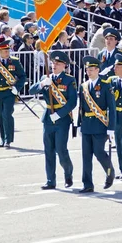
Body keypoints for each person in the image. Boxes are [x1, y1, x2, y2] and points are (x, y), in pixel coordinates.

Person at [30, 51, 76, 190]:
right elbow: (32, 91)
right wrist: (42, 84)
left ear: (64, 66)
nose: (54, 65)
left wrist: (60, 114)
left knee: (61, 150)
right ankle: (50, 180)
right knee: (48, 150)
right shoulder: (46, 77)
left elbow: (72, 102)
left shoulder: (69, 80)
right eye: (53, 63)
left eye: (58, 63)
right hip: (48, 118)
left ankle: (68, 173)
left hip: (62, 119)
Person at [77, 56, 116, 193]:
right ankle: (87, 184)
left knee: (99, 152)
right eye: (87, 70)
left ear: (98, 70)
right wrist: (79, 124)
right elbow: (81, 107)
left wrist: (111, 128)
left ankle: (110, 171)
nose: (89, 72)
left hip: (100, 124)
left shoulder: (105, 85)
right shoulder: (83, 86)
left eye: (91, 70)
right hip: (87, 124)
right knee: (86, 156)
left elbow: (112, 108)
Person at [0, 39, 26, 148]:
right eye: (5, 51)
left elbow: (22, 76)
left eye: (8, 50)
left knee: (7, 114)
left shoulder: (14, 61)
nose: (8, 53)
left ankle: (8, 139)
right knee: (1, 115)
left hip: (9, 92)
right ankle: (2, 139)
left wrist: (17, 87)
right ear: (0, 51)